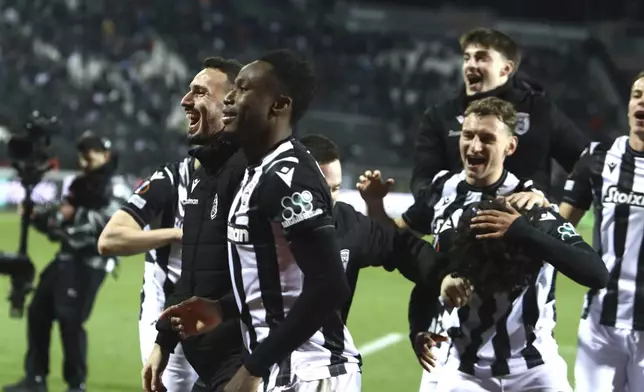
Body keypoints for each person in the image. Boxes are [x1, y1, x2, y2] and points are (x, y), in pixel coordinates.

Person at [359, 96, 552, 391]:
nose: (474, 146)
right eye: (468, 135)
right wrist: (375, 206)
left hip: (524, 362)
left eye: (486, 138)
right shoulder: (442, 189)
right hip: (450, 355)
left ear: (509, 147)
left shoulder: (527, 200)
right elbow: (397, 243)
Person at [98, 57, 243, 392]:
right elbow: (110, 239)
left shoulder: (250, 174)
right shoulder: (170, 178)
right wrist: (178, 233)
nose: (185, 100)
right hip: (169, 313)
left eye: (200, 91)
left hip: (228, 317)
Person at [221, 49, 360, 392]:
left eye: (243, 88)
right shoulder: (261, 171)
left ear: (278, 105)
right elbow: (281, 283)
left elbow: (329, 285)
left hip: (309, 371)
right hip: (284, 369)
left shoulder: (288, 177)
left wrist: (253, 367)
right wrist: (219, 308)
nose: (229, 97)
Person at [409, 198, 607, 392]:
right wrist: (419, 328)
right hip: (465, 372)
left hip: (536, 370)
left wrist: (524, 233)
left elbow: (597, 275)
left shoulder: (542, 222)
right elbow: (427, 278)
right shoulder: (455, 228)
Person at [4, 133, 131, 392]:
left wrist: (73, 216)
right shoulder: (79, 184)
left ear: (105, 156)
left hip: (90, 262)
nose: (84, 160)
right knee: (38, 312)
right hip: (65, 258)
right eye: (82, 155)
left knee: (70, 320)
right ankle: (35, 380)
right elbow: (60, 219)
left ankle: (76, 385)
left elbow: (116, 222)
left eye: (90, 155)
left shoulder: (115, 186)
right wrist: (38, 216)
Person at [410, 27, 588, 204]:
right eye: (467, 58)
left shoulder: (538, 110)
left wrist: (565, 209)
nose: (471, 65)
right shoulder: (440, 116)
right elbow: (422, 180)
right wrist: (446, 206)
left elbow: (585, 163)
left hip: (526, 223)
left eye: (481, 58)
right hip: (461, 225)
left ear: (506, 69)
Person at [559, 70, 644, 392]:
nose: (641, 103)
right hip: (600, 323)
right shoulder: (598, 158)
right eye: (637, 95)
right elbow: (560, 227)